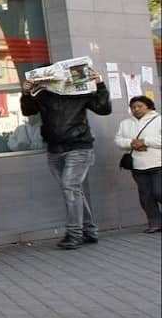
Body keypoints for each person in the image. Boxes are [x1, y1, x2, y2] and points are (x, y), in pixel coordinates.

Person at [21, 68, 111, 249]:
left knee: (70, 188)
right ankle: (89, 230)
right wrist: (26, 93)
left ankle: (74, 234)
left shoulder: (79, 92)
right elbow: (28, 111)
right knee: (73, 190)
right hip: (54, 149)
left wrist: (99, 84)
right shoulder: (44, 94)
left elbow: (104, 109)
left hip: (79, 147)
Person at [114, 95, 160, 233]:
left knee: (159, 192)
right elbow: (118, 140)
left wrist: (145, 141)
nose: (136, 109)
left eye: (140, 106)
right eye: (133, 107)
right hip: (138, 165)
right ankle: (155, 223)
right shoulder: (125, 123)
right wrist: (131, 143)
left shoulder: (158, 120)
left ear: (149, 106)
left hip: (158, 163)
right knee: (145, 196)